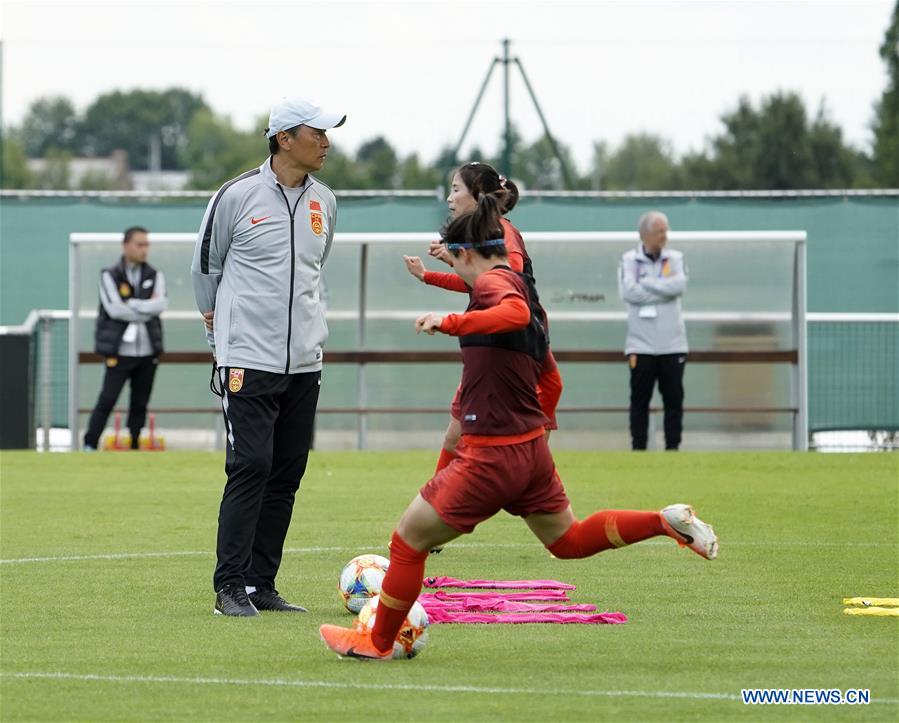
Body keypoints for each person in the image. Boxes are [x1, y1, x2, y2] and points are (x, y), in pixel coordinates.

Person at [319, 194, 717, 661]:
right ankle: (662, 521)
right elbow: (551, 376)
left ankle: (377, 643)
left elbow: (511, 313)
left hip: (491, 457)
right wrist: (535, 431)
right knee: (567, 541)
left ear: (468, 254)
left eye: (456, 260)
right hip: (529, 451)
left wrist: (451, 321)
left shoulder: (495, 288)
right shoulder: (516, 283)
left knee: (407, 542)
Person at [191, 95, 346, 617]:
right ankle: (228, 587)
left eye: (328, 134)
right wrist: (221, 334)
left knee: (286, 471)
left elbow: (315, 268)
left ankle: (261, 585)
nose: (326, 142)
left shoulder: (325, 200)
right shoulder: (235, 195)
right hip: (246, 360)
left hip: (305, 362)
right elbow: (204, 268)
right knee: (250, 465)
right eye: (317, 133)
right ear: (284, 138)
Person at [402, 162, 563, 476]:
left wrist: (449, 319)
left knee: (530, 452)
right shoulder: (485, 233)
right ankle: (435, 499)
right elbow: (485, 282)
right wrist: (431, 274)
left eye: (456, 189)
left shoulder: (503, 232)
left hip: (518, 345)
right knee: (456, 432)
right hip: (494, 342)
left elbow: (506, 282)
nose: (449, 198)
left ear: (478, 195)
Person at [83, 226, 167, 451]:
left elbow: (161, 305)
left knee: (140, 402)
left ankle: (134, 444)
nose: (144, 249)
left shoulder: (154, 274)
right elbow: (115, 310)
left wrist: (133, 304)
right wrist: (145, 309)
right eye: (139, 244)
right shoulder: (109, 274)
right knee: (108, 399)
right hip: (119, 352)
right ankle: (89, 444)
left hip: (148, 352)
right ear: (126, 245)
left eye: (146, 244)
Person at [618, 211, 688, 451]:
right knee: (639, 401)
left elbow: (679, 286)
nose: (664, 237)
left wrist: (646, 284)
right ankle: (638, 449)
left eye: (666, 231)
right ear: (645, 234)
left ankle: (673, 448)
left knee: (674, 400)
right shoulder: (629, 260)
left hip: (673, 345)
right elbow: (628, 293)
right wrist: (663, 291)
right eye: (660, 232)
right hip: (640, 345)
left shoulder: (675, 258)